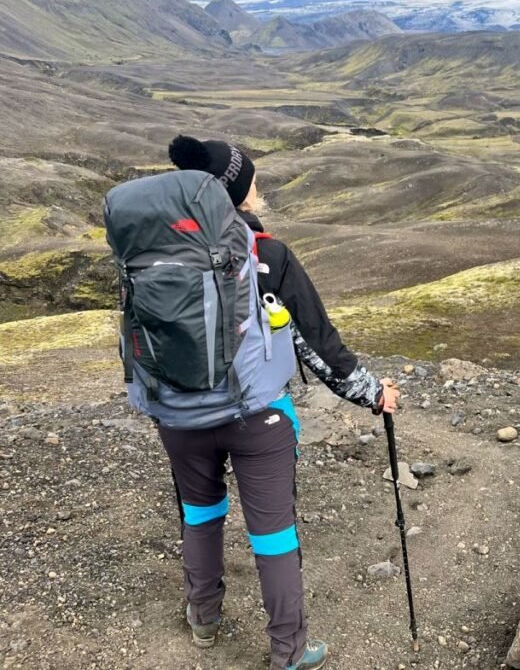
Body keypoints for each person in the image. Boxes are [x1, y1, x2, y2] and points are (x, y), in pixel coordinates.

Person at [157, 135, 400, 670]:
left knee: (200, 514)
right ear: (241, 193)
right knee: (273, 536)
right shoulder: (267, 256)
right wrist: (374, 394)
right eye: (254, 180)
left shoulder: (156, 252)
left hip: (178, 415)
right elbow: (319, 346)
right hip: (257, 418)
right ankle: (288, 652)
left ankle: (204, 620)